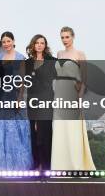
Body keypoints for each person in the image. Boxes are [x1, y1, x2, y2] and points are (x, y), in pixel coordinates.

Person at [0, 32, 33, 170]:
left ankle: (15, 167)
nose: (6, 44)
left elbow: (23, 81)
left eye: (8, 41)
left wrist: (19, 99)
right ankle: (0, 165)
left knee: (13, 132)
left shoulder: (20, 58)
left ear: (13, 41)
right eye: (4, 42)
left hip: (14, 97)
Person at [51, 26, 96, 170]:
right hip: (59, 94)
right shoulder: (59, 54)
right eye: (62, 37)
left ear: (73, 37)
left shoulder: (80, 54)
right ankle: (59, 166)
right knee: (60, 130)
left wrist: (80, 96)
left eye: (67, 37)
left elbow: (85, 77)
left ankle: (76, 166)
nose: (65, 40)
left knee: (73, 129)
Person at [25, 34, 56, 170]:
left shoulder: (52, 61)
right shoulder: (28, 63)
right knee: (34, 133)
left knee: (45, 133)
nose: (39, 45)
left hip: (46, 100)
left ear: (45, 45)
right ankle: (36, 163)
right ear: (33, 45)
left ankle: (46, 165)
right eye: (37, 42)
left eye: (42, 43)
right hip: (32, 101)